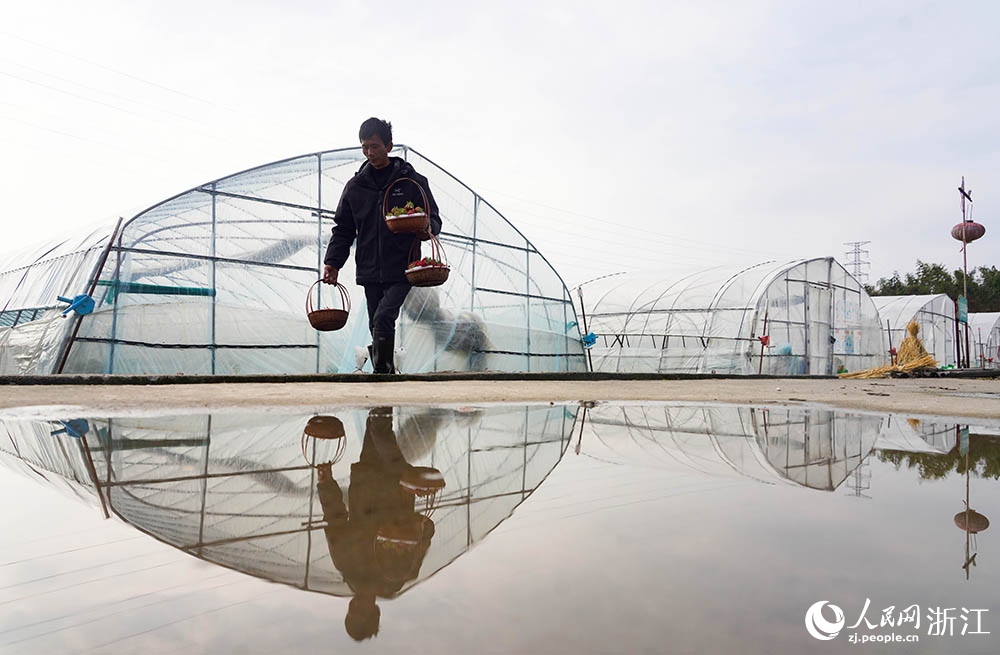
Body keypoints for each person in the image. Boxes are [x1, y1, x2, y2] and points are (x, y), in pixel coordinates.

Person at [323, 118, 442, 374]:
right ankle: (385, 374)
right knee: (375, 323)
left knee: (383, 317)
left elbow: (433, 218)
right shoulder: (356, 187)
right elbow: (343, 229)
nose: (370, 153)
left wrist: (427, 229)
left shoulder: (411, 181)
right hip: (369, 268)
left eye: (375, 146)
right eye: (365, 147)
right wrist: (333, 263)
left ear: (388, 146)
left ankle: (382, 375)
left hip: (403, 265)